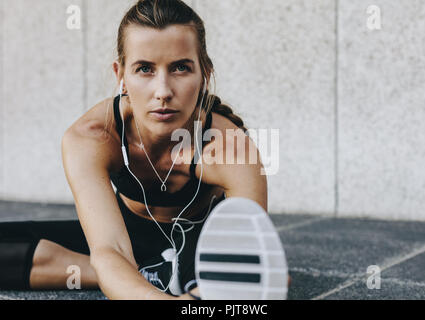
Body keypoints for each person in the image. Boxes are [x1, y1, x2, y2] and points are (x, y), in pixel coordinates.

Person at [0, 0, 287, 300]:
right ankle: (155, 274)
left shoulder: (232, 148)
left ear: (204, 74)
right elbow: (110, 249)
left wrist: (241, 275)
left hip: (199, 240)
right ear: (121, 75)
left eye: (180, 68)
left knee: (241, 277)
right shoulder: (92, 137)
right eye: (145, 69)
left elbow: (252, 248)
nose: (163, 91)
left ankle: (151, 277)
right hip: (125, 238)